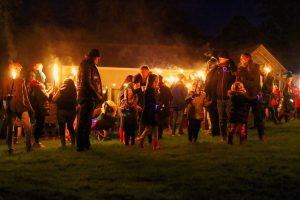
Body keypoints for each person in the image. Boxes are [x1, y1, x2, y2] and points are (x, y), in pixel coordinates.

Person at [0, 63, 34, 153]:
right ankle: (10, 147)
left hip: (22, 107)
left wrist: (30, 108)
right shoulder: (5, 81)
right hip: (10, 107)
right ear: (11, 69)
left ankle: (29, 147)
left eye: (19, 69)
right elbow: (2, 95)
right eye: (16, 68)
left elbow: (25, 96)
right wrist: (7, 96)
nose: (18, 70)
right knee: (10, 128)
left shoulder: (21, 81)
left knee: (28, 127)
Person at [76, 48, 103, 152]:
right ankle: (80, 146)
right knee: (83, 123)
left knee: (86, 123)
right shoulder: (87, 65)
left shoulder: (87, 65)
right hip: (87, 97)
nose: (98, 61)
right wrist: (97, 95)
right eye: (98, 58)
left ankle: (85, 145)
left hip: (88, 97)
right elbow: (87, 82)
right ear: (95, 57)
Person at [237, 53, 264, 140]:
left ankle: (261, 136)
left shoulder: (255, 67)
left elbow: (254, 82)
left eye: (242, 58)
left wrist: (255, 94)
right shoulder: (241, 69)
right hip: (245, 96)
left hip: (254, 96)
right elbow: (238, 82)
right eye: (240, 59)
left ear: (248, 58)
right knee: (244, 117)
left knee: (258, 117)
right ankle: (243, 136)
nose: (241, 60)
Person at [215, 50, 237, 141]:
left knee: (230, 118)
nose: (219, 59)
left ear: (225, 58)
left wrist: (232, 91)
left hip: (229, 98)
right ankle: (223, 136)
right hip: (219, 98)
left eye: (220, 58)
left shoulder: (231, 68)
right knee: (221, 119)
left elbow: (235, 80)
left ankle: (230, 135)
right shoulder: (218, 69)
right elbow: (215, 83)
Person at [137, 73, 160, 150]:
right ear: (153, 81)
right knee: (150, 128)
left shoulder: (152, 90)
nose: (158, 81)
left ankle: (154, 146)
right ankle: (141, 138)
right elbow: (152, 103)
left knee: (154, 129)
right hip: (150, 112)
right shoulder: (150, 90)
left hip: (152, 112)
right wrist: (156, 108)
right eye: (157, 80)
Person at [52, 78, 77, 147]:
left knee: (62, 127)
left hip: (62, 111)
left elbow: (54, 99)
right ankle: (73, 143)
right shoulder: (75, 91)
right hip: (72, 111)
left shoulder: (61, 90)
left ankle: (63, 144)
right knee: (70, 126)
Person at [27, 79, 50, 148]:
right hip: (39, 111)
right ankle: (36, 142)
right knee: (39, 125)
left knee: (35, 126)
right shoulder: (38, 90)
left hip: (34, 110)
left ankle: (34, 141)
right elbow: (45, 97)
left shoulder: (31, 91)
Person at [204, 57, 220, 136]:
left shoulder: (211, 73)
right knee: (217, 116)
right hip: (218, 97)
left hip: (213, 97)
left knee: (213, 116)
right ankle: (217, 131)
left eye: (209, 64)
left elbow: (207, 86)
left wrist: (208, 97)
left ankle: (215, 131)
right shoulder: (219, 71)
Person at [157, 75, 172, 139]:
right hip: (164, 106)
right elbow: (171, 97)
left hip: (157, 106)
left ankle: (158, 134)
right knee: (161, 120)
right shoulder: (166, 88)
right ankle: (160, 134)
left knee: (158, 119)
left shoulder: (156, 88)